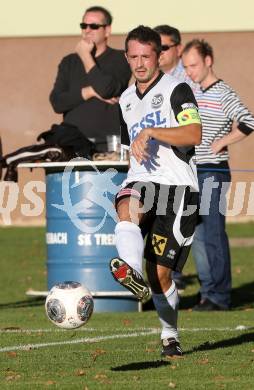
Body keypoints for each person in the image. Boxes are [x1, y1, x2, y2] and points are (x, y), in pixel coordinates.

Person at [109, 26, 202, 357]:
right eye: (133, 56)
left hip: (178, 187)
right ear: (126, 57)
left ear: (159, 55)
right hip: (142, 180)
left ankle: (170, 333)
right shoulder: (125, 98)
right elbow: (128, 147)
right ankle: (130, 270)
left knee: (160, 273)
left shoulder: (178, 88)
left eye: (145, 56)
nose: (139, 63)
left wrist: (152, 131)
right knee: (127, 202)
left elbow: (193, 134)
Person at [182, 39, 254, 311]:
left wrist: (224, 140)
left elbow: (249, 121)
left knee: (213, 234)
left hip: (213, 172)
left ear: (208, 61)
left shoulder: (222, 92)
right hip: (193, 171)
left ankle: (219, 296)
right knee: (198, 236)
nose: (189, 71)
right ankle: (207, 292)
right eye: (186, 67)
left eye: (193, 65)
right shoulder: (193, 90)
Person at [50, 6, 131, 152]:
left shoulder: (121, 58)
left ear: (107, 30)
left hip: (109, 145)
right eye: (84, 25)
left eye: (94, 26)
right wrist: (89, 92)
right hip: (73, 144)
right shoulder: (69, 62)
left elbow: (106, 90)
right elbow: (57, 102)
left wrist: (85, 56)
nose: (87, 30)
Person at [154, 24, 198, 292]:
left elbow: (194, 129)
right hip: (161, 171)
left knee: (202, 237)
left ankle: (215, 296)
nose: (158, 53)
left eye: (164, 47)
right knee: (161, 229)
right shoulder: (148, 83)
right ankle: (164, 283)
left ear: (178, 49)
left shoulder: (187, 82)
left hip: (193, 165)